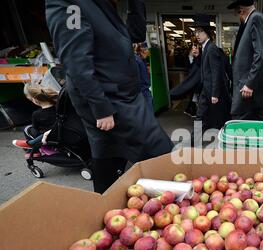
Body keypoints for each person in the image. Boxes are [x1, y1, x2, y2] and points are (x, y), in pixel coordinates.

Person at [46, 0, 174, 193]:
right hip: (110, 101)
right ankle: (179, 197)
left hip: (125, 96)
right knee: (161, 153)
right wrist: (101, 108)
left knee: (108, 153)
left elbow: (136, 35)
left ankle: (105, 202)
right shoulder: (70, 5)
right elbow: (76, 62)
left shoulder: (101, 4)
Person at [228, 0, 263, 121]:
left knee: (239, 119)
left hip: (248, 86)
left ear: (241, 11)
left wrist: (249, 84)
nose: (238, 17)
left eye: (236, 14)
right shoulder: (253, 20)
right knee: (260, 118)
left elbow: (261, 54)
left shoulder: (256, 18)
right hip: (248, 85)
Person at [193, 15, 232, 134]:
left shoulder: (212, 49)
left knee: (217, 118)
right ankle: (195, 141)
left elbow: (217, 73)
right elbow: (206, 69)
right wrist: (197, 57)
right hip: (207, 90)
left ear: (207, 32)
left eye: (200, 31)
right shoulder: (206, 48)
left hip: (212, 91)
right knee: (204, 116)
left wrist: (215, 94)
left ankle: (196, 141)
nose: (197, 35)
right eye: (196, 32)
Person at [12, 83, 58, 158]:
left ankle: (34, 150)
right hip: (63, 132)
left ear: (35, 100)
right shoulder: (59, 107)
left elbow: (35, 128)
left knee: (27, 129)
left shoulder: (36, 114)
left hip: (49, 137)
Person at [170, 44, 202, 118]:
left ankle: (198, 128)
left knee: (200, 112)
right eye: (193, 49)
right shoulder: (196, 62)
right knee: (199, 112)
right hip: (198, 89)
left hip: (200, 90)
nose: (194, 51)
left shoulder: (199, 62)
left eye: (196, 49)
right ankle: (198, 129)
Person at [133, 43, 154, 114]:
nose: (149, 52)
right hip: (142, 90)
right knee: (148, 112)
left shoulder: (142, 60)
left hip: (144, 89)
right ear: (143, 50)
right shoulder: (137, 60)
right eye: (147, 50)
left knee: (148, 111)